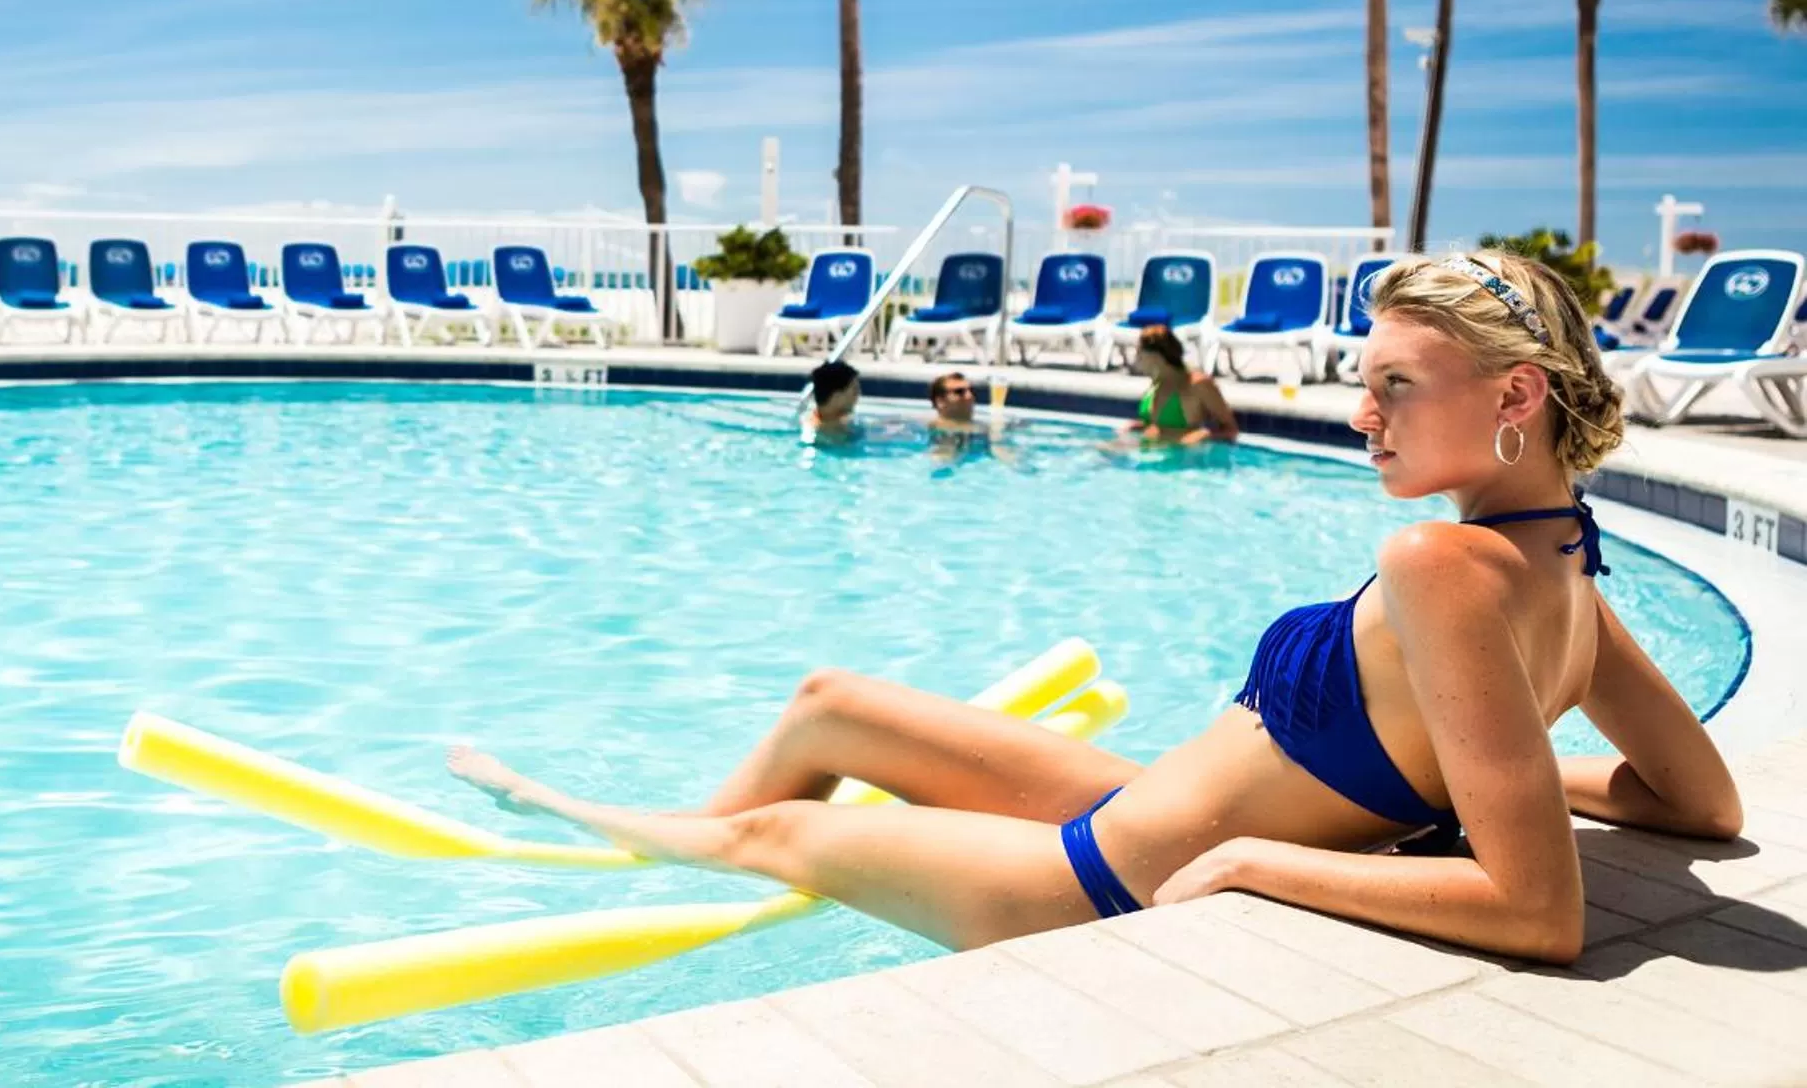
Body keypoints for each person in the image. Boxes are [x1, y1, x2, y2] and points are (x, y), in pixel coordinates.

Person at [450, 251, 1740, 963]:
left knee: (777, 836)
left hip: (1102, 880)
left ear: (1515, 400)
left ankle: (596, 828)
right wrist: (1500, 768)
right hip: (1138, 802)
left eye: (1395, 385)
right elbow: (1702, 805)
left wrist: (1250, 863)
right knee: (828, 703)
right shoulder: (1574, 570)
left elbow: (1541, 914)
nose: (1361, 417)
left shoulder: (1438, 565)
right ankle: (666, 837)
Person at [1117, 327, 1238, 446]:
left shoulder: (1198, 384)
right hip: (1152, 453)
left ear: (1155, 356)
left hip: (1181, 459)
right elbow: (1160, 426)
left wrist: (1204, 434)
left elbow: (1231, 430)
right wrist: (1137, 426)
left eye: (1139, 353)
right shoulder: (1157, 383)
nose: (1136, 360)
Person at [803, 360, 861, 443]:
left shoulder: (840, 422)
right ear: (836, 397)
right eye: (855, 391)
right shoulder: (820, 435)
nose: (858, 395)